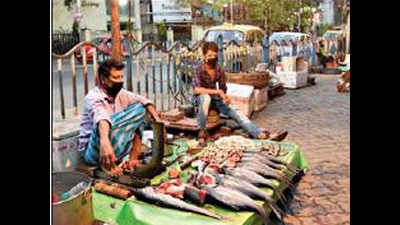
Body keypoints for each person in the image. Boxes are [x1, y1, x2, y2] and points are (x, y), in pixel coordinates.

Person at [193, 42, 288, 145]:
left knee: (236, 112)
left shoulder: (218, 69)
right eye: (209, 56)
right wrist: (217, 92)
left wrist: (225, 98)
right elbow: (196, 89)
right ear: (204, 55)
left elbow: (222, 89)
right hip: (200, 99)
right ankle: (201, 132)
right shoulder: (198, 67)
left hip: (215, 99)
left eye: (214, 56)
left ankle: (259, 134)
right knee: (206, 98)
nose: (212, 58)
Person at [79, 59, 161, 176]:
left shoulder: (121, 94)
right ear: (103, 79)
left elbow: (144, 101)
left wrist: (158, 121)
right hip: (93, 152)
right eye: (116, 78)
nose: (120, 81)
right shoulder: (93, 97)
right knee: (104, 123)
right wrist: (105, 142)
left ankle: (132, 158)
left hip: (113, 146)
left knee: (141, 110)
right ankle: (106, 165)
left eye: (121, 77)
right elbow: (101, 118)